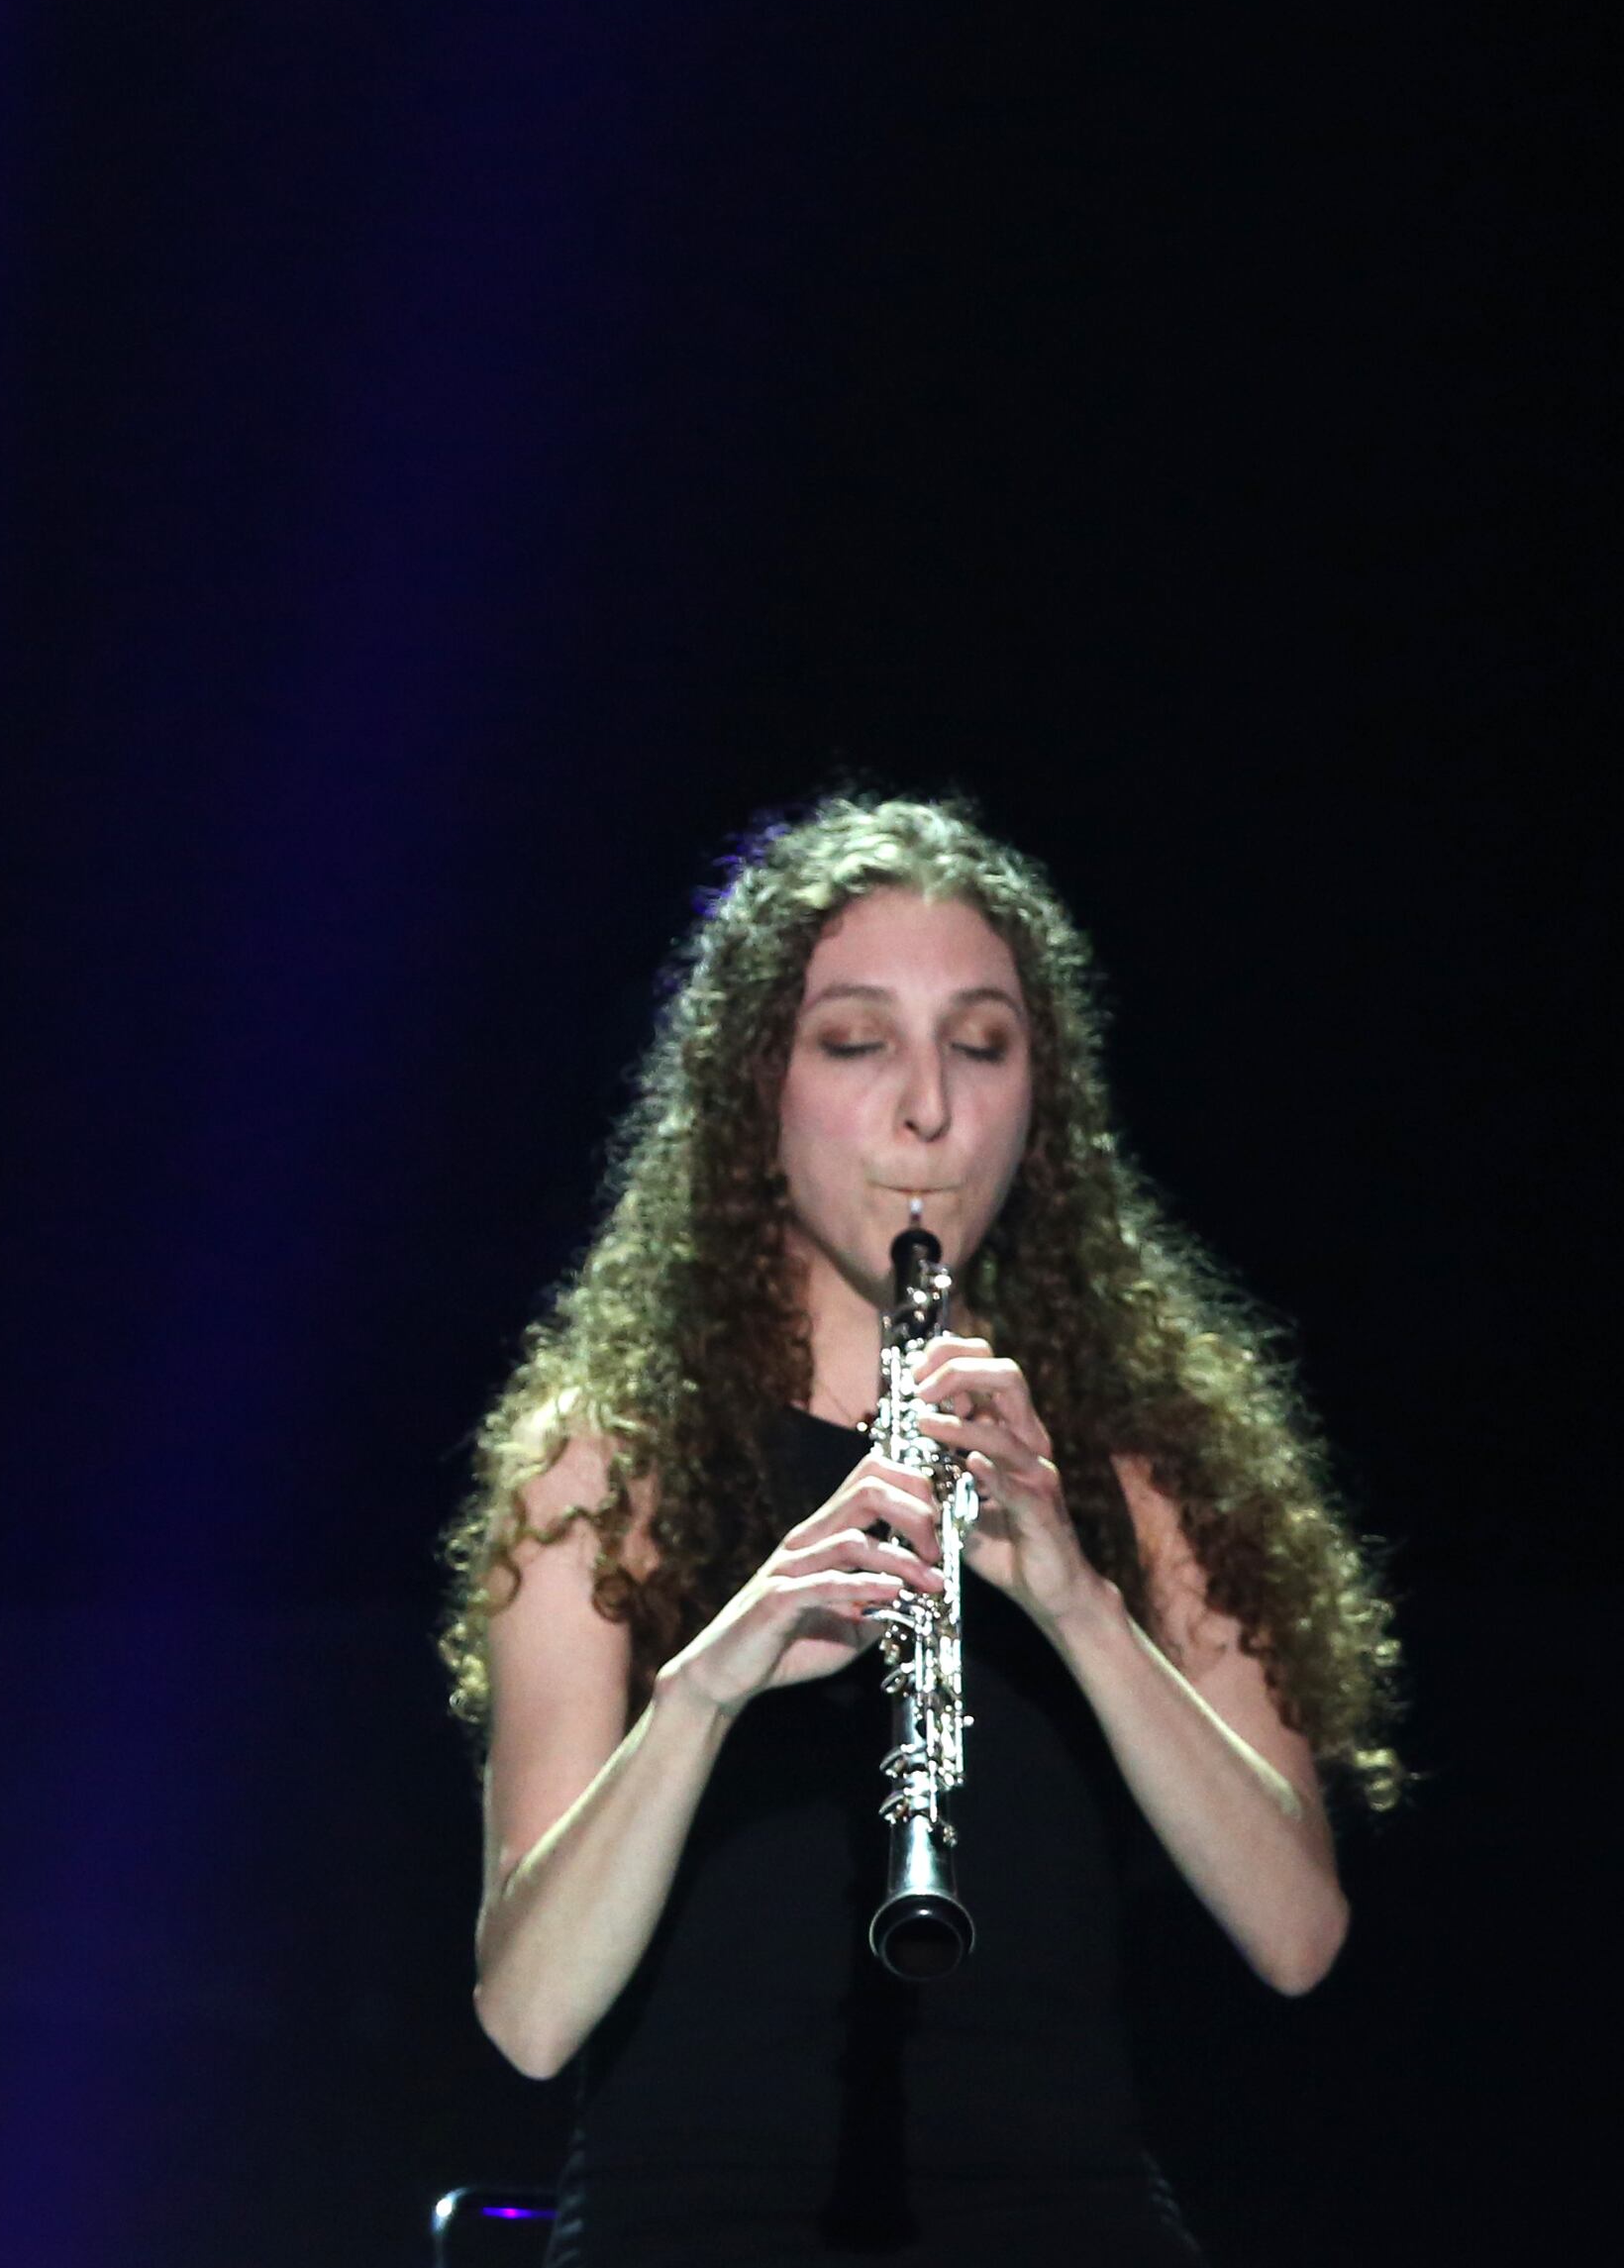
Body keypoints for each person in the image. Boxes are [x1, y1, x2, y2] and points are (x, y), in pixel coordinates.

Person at [438, 796, 1399, 2265]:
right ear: (758, 1083)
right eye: (855, 1039)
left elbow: (1297, 1934)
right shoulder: (606, 1457)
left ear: (1040, 1090)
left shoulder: (1146, 1446)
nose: (929, 1110)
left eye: (982, 1042)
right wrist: (711, 1679)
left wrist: (1077, 1599)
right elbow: (529, 2011)